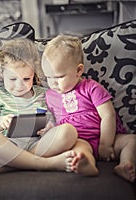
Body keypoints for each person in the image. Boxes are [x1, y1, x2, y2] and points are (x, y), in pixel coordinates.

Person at [0, 38, 79, 173]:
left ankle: (10, 165)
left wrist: (50, 126)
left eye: (26, 79)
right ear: (1, 73)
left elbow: (55, 117)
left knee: (69, 131)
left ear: (33, 74)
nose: (19, 86)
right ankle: (44, 163)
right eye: (12, 79)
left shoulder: (45, 93)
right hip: (8, 145)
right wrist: (1, 121)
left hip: (37, 144)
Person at [41, 34, 136, 182]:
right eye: (48, 77)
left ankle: (126, 165)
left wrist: (105, 144)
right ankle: (87, 165)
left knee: (131, 140)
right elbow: (55, 119)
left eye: (58, 77)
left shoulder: (91, 88)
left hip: (107, 137)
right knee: (80, 152)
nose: (53, 83)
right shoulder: (50, 96)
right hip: (79, 139)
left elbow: (108, 115)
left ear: (78, 71)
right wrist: (48, 129)